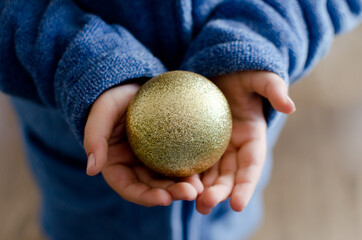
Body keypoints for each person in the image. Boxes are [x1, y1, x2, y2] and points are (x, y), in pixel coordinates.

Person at [0, 1, 361, 239]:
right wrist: (78, 60)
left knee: (224, 222)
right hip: (78, 152)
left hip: (232, 145)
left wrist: (267, 30)